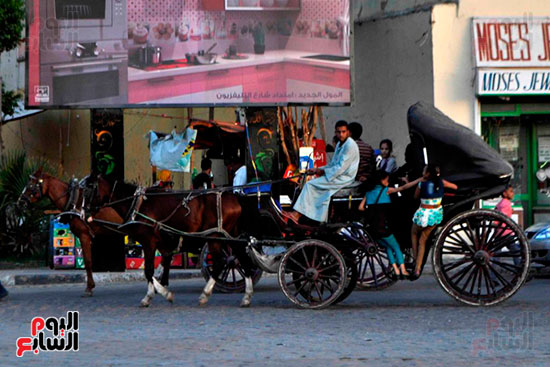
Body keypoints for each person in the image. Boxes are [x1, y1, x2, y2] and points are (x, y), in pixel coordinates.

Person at [285, 120, 359, 224]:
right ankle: (310, 216)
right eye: (339, 132)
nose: (341, 134)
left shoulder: (350, 145)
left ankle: (297, 215)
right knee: (313, 185)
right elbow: (333, 164)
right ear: (335, 132)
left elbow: (340, 167)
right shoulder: (339, 144)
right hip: (336, 175)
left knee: (310, 185)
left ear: (348, 132)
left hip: (344, 177)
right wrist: (317, 170)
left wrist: (321, 171)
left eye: (343, 132)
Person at [359, 170, 421, 279]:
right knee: (396, 247)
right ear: (381, 180)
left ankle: (396, 270)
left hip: (372, 229)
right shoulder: (386, 190)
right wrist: (418, 180)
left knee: (388, 247)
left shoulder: (368, 193)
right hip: (383, 227)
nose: (388, 182)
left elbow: (360, 207)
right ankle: (403, 270)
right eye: (387, 180)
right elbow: (403, 188)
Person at [411, 164, 457, 279]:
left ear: (427, 174)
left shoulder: (421, 184)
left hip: (423, 213)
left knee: (414, 233)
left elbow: (415, 197)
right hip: (435, 215)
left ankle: (415, 259)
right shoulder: (442, 183)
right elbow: (455, 187)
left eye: (424, 170)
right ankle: (417, 268)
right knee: (423, 241)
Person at [495, 185, 521, 266]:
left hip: (499, 232)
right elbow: (503, 217)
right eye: (511, 191)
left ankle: (492, 273)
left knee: (497, 253)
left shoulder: (500, 203)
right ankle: (520, 267)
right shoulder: (506, 204)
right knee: (515, 251)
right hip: (506, 232)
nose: (513, 194)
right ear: (504, 193)